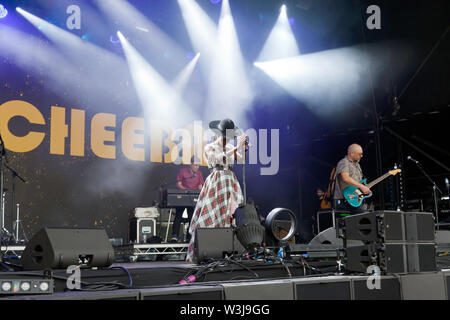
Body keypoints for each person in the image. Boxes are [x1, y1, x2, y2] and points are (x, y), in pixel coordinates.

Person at [185, 119, 247, 263]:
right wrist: (236, 147)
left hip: (230, 181)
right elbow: (218, 158)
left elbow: (242, 160)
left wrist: (242, 148)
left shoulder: (232, 146)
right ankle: (206, 250)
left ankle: (229, 251)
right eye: (226, 137)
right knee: (212, 213)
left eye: (230, 137)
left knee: (232, 215)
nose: (228, 140)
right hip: (217, 180)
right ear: (220, 134)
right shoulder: (210, 147)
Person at [170, 156, 205, 243]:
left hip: (192, 198)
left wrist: (201, 194)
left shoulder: (199, 174)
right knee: (178, 215)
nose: (197, 167)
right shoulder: (183, 171)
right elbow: (178, 184)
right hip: (183, 196)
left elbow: (200, 186)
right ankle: (174, 236)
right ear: (191, 164)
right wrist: (185, 191)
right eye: (195, 165)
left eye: (198, 165)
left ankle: (190, 236)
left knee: (192, 217)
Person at [333, 144, 371, 214]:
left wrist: (364, 189)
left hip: (355, 198)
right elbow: (345, 178)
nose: (361, 156)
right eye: (359, 154)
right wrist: (362, 186)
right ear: (351, 153)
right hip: (344, 200)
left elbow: (359, 183)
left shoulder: (358, 165)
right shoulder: (344, 162)